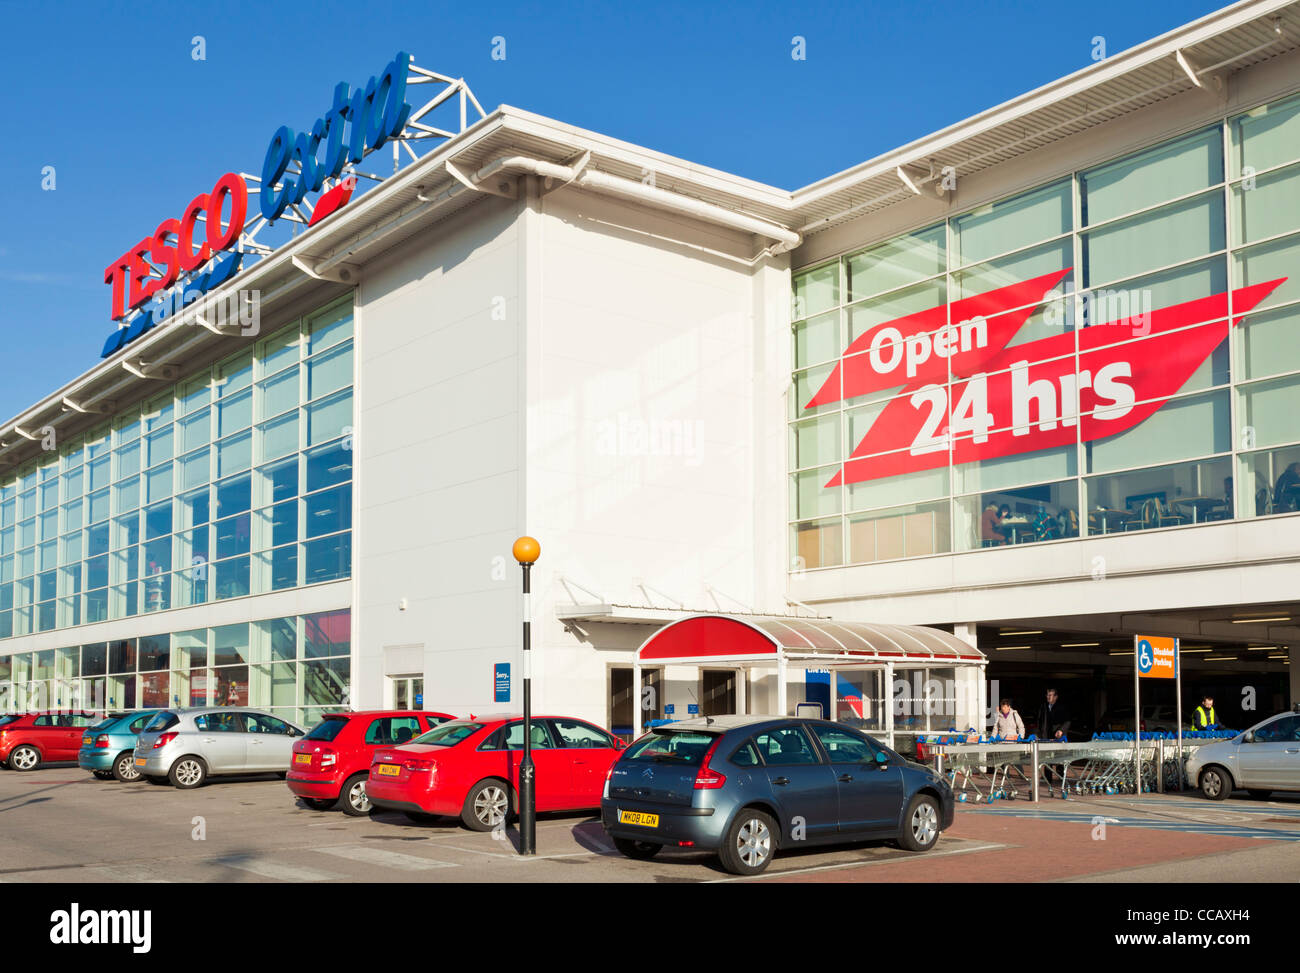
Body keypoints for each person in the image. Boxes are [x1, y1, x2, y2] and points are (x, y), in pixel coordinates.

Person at [1036, 688, 1072, 785]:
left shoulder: (1062, 707)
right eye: (1047, 695)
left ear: (1056, 697)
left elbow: (1067, 721)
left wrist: (1061, 730)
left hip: (1058, 737)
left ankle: (1061, 778)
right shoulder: (1043, 707)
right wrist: (1039, 734)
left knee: (1059, 758)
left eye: (1050, 695)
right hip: (1046, 737)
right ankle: (1048, 780)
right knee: (1047, 758)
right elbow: (1039, 721)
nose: (1048, 697)